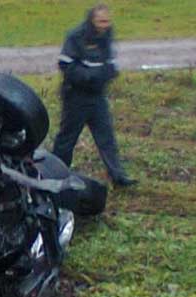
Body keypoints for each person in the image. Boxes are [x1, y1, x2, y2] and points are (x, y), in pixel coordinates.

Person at [52, 4, 136, 186]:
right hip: (76, 97)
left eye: (107, 21)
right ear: (92, 20)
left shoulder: (107, 35)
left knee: (106, 137)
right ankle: (55, 175)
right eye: (101, 21)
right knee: (67, 139)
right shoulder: (75, 36)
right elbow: (65, 65)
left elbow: (110, 63)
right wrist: (89, 77)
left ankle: (118, 176)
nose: (105, 25)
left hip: (98, 97)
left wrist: (107, 75)